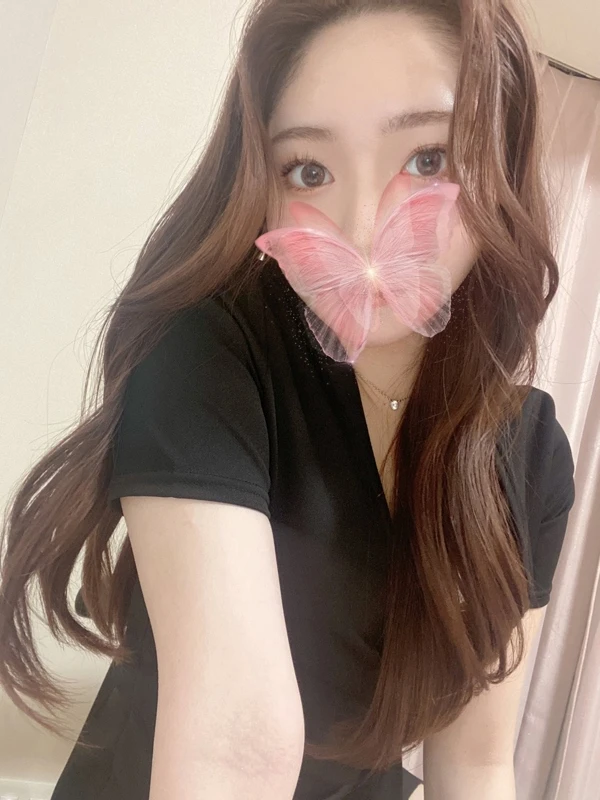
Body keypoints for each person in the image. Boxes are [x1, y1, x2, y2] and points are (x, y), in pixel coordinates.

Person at [0, 1, 577, 798]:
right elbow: (235, 748)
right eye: (309, 171)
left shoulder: (532, 453)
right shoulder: (210, 355)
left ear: (502, 161)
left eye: (429, 158)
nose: (363, 229)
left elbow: (474, 763)